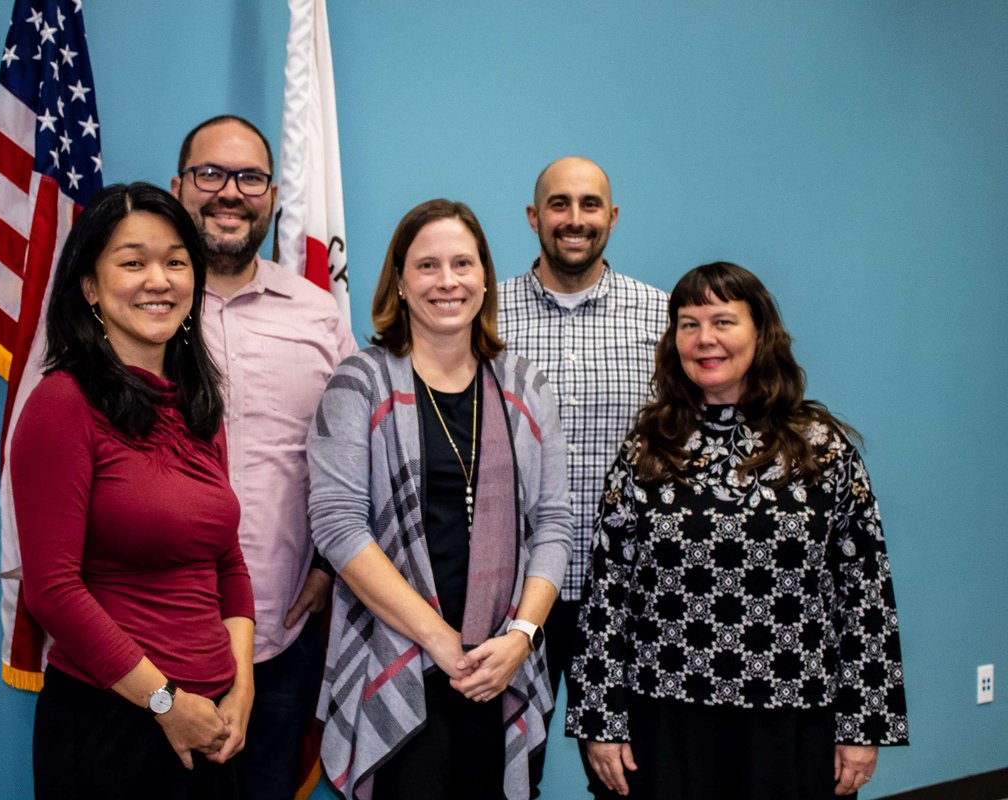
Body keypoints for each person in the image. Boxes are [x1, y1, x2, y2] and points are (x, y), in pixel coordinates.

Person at [566, 262, 909, 799]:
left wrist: (864, 725)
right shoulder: (648, 448)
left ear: (760, 332)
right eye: (688, 323)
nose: (705, 339)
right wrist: (599, 718)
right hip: (666, 717)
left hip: (792, 717)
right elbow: (608, 591)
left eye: (723, 321)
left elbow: (864, 593)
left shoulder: (820, 447)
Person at [308, 198, 574, 800]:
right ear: (399, 282)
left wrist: (522, 637)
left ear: (485, 277)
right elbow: (338, 527)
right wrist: (439, 641)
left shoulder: (525, 386)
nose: (447, 281)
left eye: (463, 263)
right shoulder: (360, 383)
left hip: (500, 663)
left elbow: (555, 525)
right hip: (399, 655)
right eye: (427, 266)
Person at [11, 182, 255, 799]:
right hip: (112, 725)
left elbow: (226, 559)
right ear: (89, 287)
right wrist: (165, 701)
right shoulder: (62, 403)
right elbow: (52, 590)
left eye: (176, 261)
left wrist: (243, 686)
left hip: (213, 725)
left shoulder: (200, 404)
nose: (159, 280)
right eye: (132, 261)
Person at [170, 114, 357, 799]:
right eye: (210, 174)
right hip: (154, 633)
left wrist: (330, 562)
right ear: (178, 185)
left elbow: (355, 454)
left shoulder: (318, 314)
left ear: (273, 196)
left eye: (249, 177)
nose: (229, 192)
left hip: (282, 631)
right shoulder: (143, 308)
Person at [497, 156, 668, 797]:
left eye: (590, 204)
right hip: (515, 593)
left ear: (612, 217)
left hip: (629, 594)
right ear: (534, 216)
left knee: (631, 779)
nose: (575, 219)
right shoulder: (484, 317)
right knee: (508, 772)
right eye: (560, 204)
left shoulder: (663, 317)